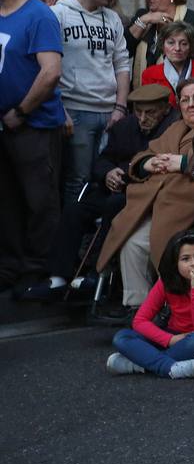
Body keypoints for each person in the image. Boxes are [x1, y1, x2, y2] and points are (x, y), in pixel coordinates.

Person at [20, 83, 177, 303]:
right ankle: (58, 276)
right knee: (75, 209)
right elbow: (103, 159)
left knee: (115, 205)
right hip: (113, 186)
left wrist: (124, 172)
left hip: (143, 193)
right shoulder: (125, 126)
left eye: (150, 113)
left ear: (165, 110)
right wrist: (107, 173)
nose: (142, 119)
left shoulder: (173, 128)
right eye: (138, 112)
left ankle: (95, 270)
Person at [95, 78, 194, 318]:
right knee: (132, 242)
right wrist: (147, 163)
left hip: (188, 203)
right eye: (185, 99)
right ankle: (138, 306)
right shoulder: (176, 128)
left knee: (165, 240)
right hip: (157, 202)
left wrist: (179, 163)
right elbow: (145, 153)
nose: (191, 104)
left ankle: (172, 306)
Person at [0, 0, 64, 292]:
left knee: (39, 201)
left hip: (32, 126)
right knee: (7, 200)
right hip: (4, 126)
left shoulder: (38, 16)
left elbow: (50, 72)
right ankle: (10, 268)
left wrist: (22, 111)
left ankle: (39, 271)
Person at [53, 0, 130, 202]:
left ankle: (99, 236)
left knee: (106, 177)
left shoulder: (113, 19)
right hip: (75, 110)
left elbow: (122, 64)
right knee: (78, 179)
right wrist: (59, 109)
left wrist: (120, 106)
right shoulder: (58, 14)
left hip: (110, 112)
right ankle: (75, 237)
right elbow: (46, 65)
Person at [105, 228, 194, 380]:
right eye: (185, 259)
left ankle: (139, 363)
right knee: (122, 337)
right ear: (175, 263)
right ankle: (170, 368)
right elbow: (140, 321)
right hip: (175, 336)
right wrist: (169, 340)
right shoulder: (166, 282)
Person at [141, 21, 194, 103]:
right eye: (171, 43)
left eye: (183, 44)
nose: (177, 48)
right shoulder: (149, 75)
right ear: (162, 45)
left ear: (191, 46)